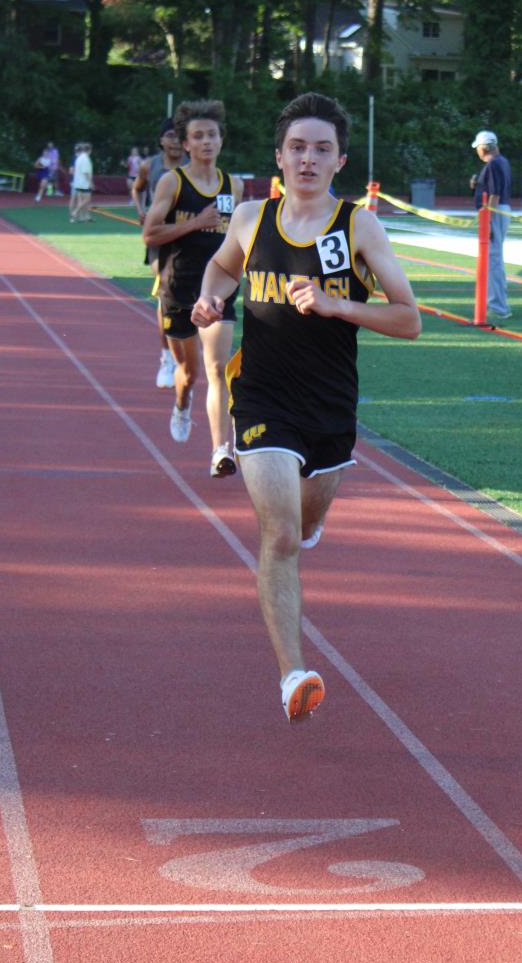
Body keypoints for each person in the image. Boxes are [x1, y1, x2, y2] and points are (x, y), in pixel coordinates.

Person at [191, 92, 421, 724]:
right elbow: (221, 269)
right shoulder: (250, 218)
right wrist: (210, 300)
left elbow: (409, 320)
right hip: (262, 397)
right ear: (279, 157)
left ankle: (311, 516)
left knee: (305, 518)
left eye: (322, 149)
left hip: (329, 406)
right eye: (297, 147)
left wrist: (337, 304)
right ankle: (293, 673)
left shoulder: (359, 226)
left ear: (340, 160)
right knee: (281, 534)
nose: (308, 159)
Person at [142, 100, 244, 474]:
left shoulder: (234, 185)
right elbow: (150, 234)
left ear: (221, 140)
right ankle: (182, 404)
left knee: (217, 368)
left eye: (212, 135)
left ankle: (221, 451)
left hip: (217, 291)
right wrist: (195, 223)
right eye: (198, 136)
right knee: (189, 373)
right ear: (186, 144)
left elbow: (238, 236)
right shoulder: (173, 182)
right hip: (178, 288)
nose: (206, 142)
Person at [134, 120, 187, 389]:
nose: (175, 141)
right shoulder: (150, 166)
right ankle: (167, 357)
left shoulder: (193, 164)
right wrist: (141, 211)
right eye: (170, 135)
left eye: (179, 136)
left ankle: (184, 351)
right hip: (160, 237)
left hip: (189, 236)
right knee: (165, 291)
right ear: (161, 140)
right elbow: (138, 188)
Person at [470, 129, 512, 319]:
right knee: (494, 258)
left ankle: (498, 306)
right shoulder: (501, 161)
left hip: (495, 212)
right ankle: (496, 302)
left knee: (493, 259)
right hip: (500, 211)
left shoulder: (493, 164)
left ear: (483, 148)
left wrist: (488, 218)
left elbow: (494, 194)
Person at [68, 143, 94, 222]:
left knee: (80, 200)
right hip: (84, 183)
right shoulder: (85, 159)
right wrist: (91, 182)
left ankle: (80, 217)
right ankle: (75, 212)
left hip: (78, 182)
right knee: (86, 199)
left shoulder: (78, 158)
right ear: (89, 150)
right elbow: (86, 172)